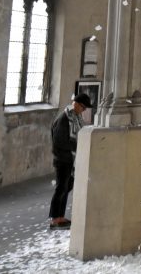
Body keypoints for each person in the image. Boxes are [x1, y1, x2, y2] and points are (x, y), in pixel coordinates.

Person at [48, 93, 91, 230]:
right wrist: (75, 148)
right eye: (83, 108)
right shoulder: (64, 118)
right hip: (63, 159)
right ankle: (55, 218)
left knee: (66, 187)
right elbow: (59, 141)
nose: (83, 111)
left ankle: (60, 216)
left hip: (70, 160)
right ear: (76, 104)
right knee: (61, 187)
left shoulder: (75, 118)